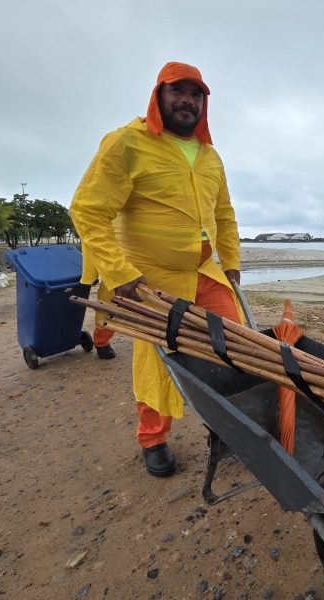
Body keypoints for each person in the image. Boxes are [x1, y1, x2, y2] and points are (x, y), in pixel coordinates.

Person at [71, 61, 243, 478]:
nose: (187, 100)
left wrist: (232, 263)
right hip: (150, 280)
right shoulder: (127, 142)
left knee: (234, 350)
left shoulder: (210, 156)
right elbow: (88, 210)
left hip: (205, 272)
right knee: (157, 361)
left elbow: (224, 214)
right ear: (158, 96)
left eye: (196, 94)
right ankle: (153, 439)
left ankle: (226, 427)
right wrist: (119, 273)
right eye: (177, 90)